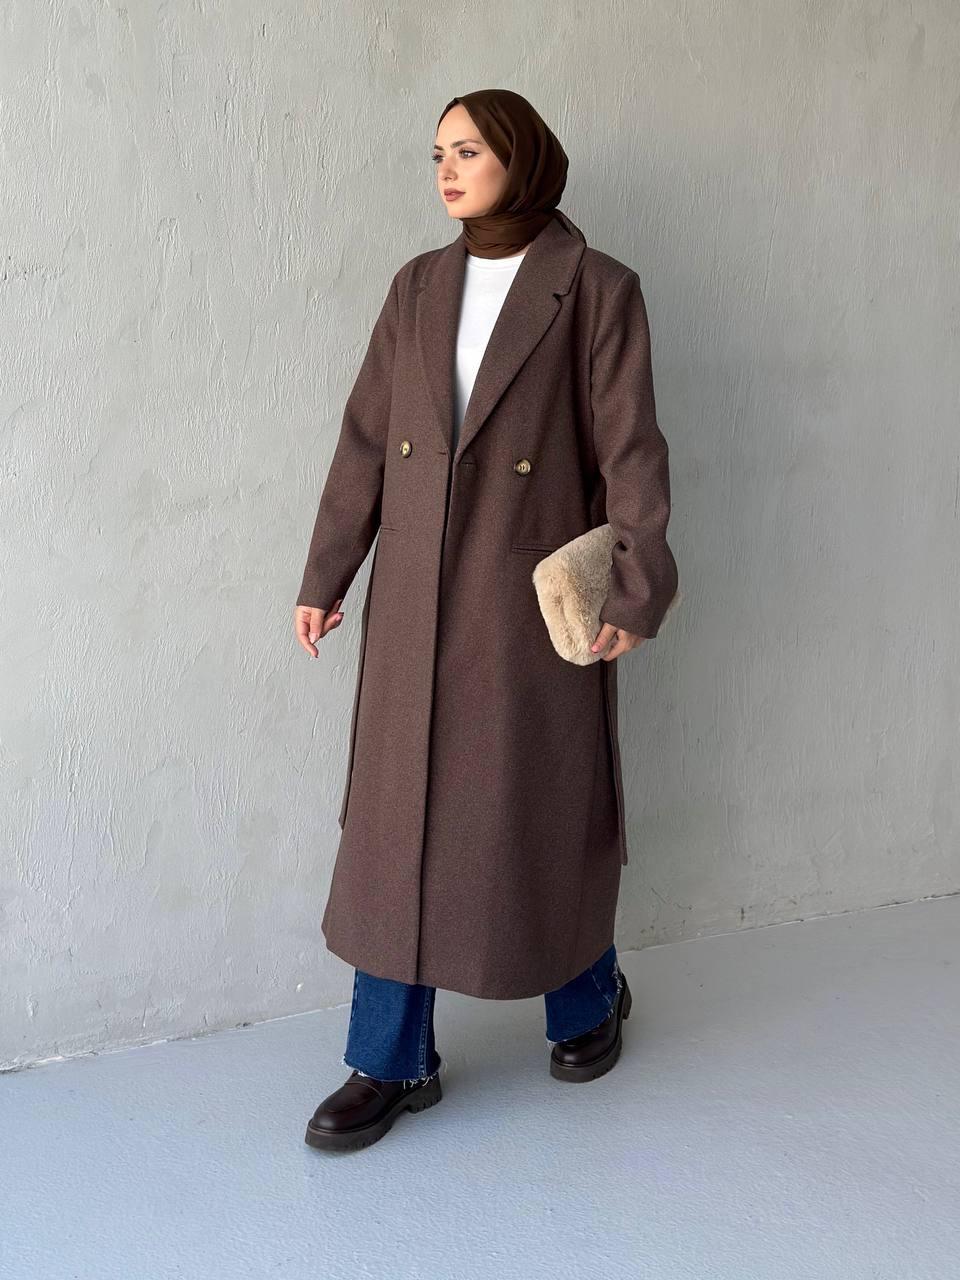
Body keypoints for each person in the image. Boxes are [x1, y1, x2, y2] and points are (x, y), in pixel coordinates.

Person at [294, 89, 679, 1153]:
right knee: (397, 826)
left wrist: (637, 587)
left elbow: (631, 450)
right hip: (414, 596)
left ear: (522, 156)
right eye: (436, 154)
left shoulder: (596, 288)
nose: (447, 171)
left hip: (524, 599)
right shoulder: (418, 286)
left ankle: (586, 1000)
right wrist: (327, 572)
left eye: (467, 150)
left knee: (537, 808)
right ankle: (388, 1057)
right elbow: (366, 438)